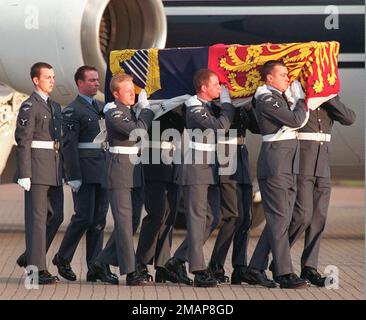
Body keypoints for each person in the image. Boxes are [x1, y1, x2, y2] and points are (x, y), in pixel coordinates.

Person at [164, 69, 235, 288]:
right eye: (215, 85)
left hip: (210, 167)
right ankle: (198, 269)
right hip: (196, 167)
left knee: (213, 217)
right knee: (196, 221)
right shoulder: (194, 107)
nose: (219, 88)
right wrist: (227, 104)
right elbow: (220, 127)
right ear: (203, 88)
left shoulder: (207, 106)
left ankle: (176, 261)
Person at [245, 60, 308, 289]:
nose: (287, 78)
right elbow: (295, 120)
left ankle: (255, 268)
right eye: (282, 74)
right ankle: (284, 273)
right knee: (279, 220)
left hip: (287, 167)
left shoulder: (279, 97)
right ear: (269, 78)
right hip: (275, 167)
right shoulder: (266, 98)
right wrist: (301, 100)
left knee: (280, 221)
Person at [88, 73, 155, 286]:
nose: (132, 95)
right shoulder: (114, 113)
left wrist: (140, 109)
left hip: (134, 172)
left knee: (132, 222)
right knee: (124, 224)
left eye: (133, 91)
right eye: (127, 91)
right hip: (118, 173)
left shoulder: (128, 110)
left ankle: (100, 262)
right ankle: (131, 271)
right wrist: (146, 109)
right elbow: (138, 131)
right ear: (116, 94)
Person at [283, 95, 356, 286]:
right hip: (303, 164)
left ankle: (309, 268)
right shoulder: (298, 95)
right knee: (301, 216)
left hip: (322, 165)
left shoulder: (329, 98)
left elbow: (349, 118)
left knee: (318, 218)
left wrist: (329, 98)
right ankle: (280, 261)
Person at [52, 66, 109, 282]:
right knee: (83, 217)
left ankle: (94, 266)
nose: (96, 83)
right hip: (84, 171)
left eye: (97, 80)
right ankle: (63, 257)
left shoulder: (102, 107)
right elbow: (69, 146)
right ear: (80, 83)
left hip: (102, 170)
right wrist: (72, 175)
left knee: (99, 220)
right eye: (91, 80)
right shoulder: (73, 110)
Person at [15, 62, 63, 285]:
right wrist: (24, 173)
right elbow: (23, 141)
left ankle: (31, 255)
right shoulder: (29, 106)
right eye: (47, 77)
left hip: (53, 168)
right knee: (37, 220)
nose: (52, 80)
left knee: (56, 216)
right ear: (36, 80)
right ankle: (36, 270)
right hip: (36, 169)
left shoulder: (55, 106)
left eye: (53, 77)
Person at [207, 101, 260, 284]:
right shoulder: (216, 103)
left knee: (246, 217)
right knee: (232, 216)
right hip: (225, 155)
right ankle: (216, 264)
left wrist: (248, 107)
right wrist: (229, 103)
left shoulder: (242, 102)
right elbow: (219, 127)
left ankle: (239, 267)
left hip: (241, 156)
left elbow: (258, 127)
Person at [135, 109, 184, 283]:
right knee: (156, 214)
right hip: (154, 161)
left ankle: (163, 265)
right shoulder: (154, 104)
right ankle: (141, 262)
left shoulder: (181, 105)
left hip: (173, 161)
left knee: (169, 217)